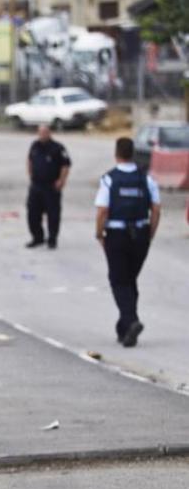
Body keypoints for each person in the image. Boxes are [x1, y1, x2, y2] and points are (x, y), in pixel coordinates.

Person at [94, 137, 161, 348]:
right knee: (129, 279)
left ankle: (131, 321)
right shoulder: (146, 179)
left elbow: (102, 210)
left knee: (118, 280)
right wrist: (150, 233)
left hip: (117, 234)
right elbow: (156, 209)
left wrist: (99, 233)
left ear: (116, 153)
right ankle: (124, 329)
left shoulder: (109, 179)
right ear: (133, 154)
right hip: (140, 234)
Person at [26, 124, 71, 249]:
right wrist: (30, 175)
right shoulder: (34, 146)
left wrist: (61, 180)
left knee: (53, 214)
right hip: (36, 186)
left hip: (51, 186)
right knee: (32, 213)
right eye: (40, 133)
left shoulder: (58, 148)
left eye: (45, 132)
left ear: (49, 133)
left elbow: (65, 165)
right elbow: (29, 160)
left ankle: (52, 239)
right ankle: (37, 237)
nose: (42, 135)